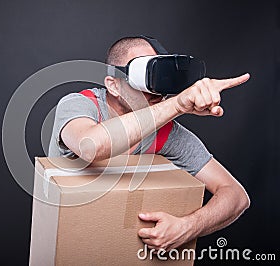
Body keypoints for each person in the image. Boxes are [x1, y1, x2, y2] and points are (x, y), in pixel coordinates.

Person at [48, 36, 250, 251]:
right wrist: (178, 104)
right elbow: (91, 146)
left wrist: (188, 227)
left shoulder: (166, 134)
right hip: (68, 245)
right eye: (145, 77)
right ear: (113, 85)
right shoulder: (80, 105)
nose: (156, 91)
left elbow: (236, 196)